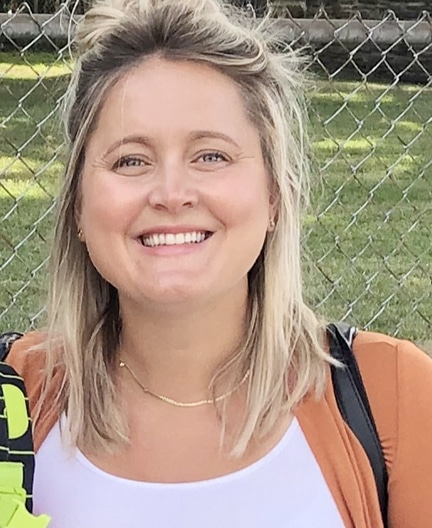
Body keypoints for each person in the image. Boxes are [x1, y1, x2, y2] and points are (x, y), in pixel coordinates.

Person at [5, 0, 432, 526]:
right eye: (131, 160)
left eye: (211, 156)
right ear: (77, 205)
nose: (171, 193)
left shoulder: (395, 398)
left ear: (274, 194)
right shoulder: (13, 397)